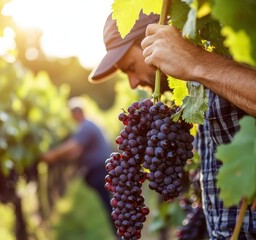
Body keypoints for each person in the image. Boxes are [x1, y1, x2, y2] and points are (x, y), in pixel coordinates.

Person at [89, 11, 256, 240]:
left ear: (157, 39)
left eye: (129, 67)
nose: (133, 82)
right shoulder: (194, 96)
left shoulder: (225, 53)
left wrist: (196, 62)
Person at [40, 97, 115, 230]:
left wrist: (52, 155)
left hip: (100, 170)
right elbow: (76, 151)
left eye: (71, 115)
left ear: (76, 114)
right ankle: (121, 232)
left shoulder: (85, 126)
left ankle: (122, 233)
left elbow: (73, 146)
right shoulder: (89, 124)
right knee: (109, 203)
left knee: (110, 204)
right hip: (101, 170)